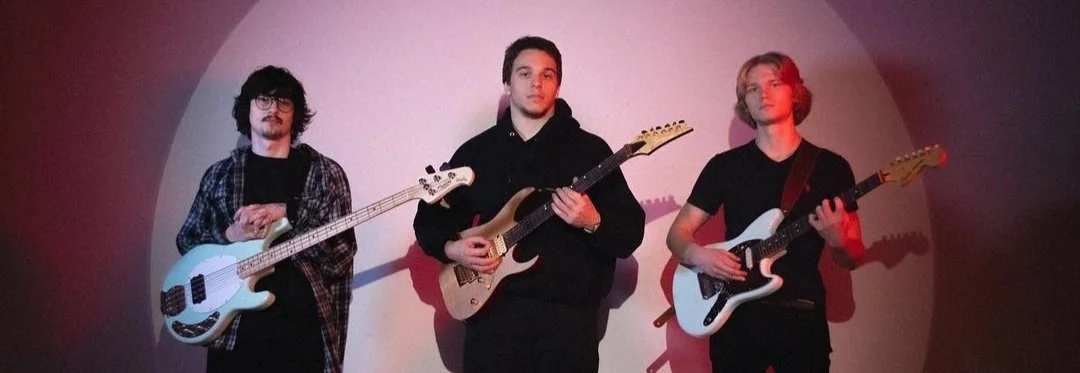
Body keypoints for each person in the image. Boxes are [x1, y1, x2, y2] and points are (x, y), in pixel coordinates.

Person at [413, 36, 646, 372]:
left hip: (569, 327)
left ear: (558, 84)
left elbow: (630, 232)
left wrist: (593, 220)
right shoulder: (476, 153)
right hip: (493, 321)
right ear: (507, 82)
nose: (536, 83)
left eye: (547, 75)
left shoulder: (591, 151)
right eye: (524, 73)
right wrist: (453, 249)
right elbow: (431, 218)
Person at [666, 52, 866, 372]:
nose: (764, 93)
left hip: (802, 320)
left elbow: (854, 256)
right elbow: (677, 234)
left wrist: (838, 241)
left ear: (795, 93)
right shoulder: (724, 166)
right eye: (752, 88)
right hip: (736, 321)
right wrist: (700, 256)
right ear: (744, 101)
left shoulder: (831, 167)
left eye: (774, 83)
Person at [176, 66, 357, 373]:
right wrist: (230, 235)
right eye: (264, 100)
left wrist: (290, 213)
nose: (273, 109)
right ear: (246, 108)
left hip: (303, 337)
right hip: (234, 337)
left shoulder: (325, 174)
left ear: (295, 113)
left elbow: (340, 256)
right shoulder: (221, 175)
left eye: (284, 102)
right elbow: (187, 242)